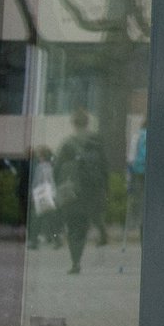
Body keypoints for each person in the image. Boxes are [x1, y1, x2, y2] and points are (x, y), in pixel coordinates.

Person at [55, 111, 106, 274]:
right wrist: (105, 188)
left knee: (73, 225)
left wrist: (60, 184)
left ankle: (75, 261)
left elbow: (56, 168)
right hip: (91, 190)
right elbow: (105, 166)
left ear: (74, 123)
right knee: (83, 225)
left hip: (72, 190)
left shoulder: (67, 143)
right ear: (87, 123)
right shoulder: (97, 141)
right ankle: (84, 249)